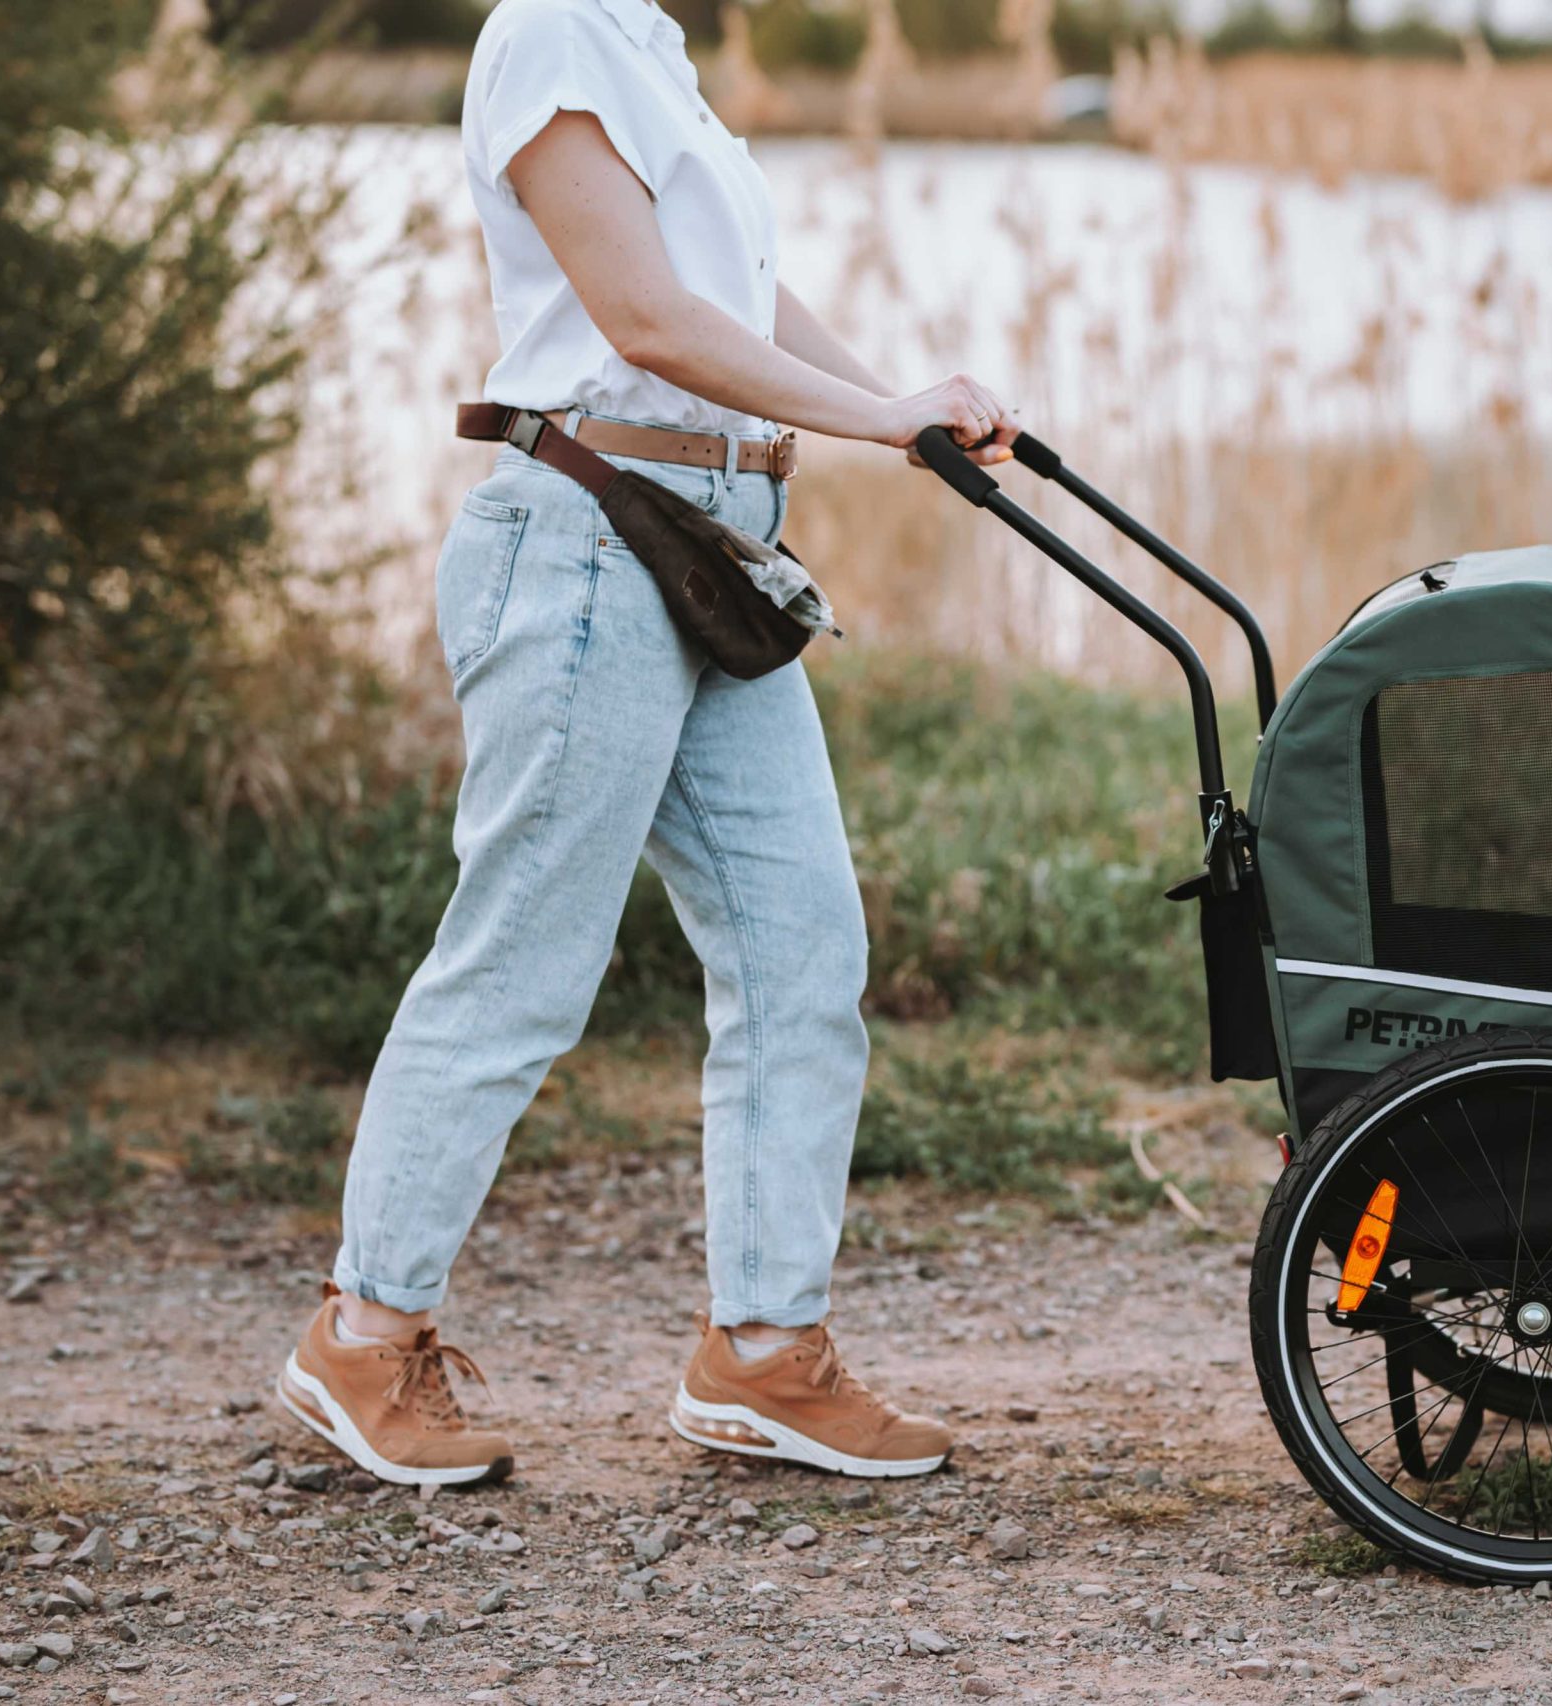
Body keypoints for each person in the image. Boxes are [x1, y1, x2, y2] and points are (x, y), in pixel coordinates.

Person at [273, 0, 1016, 1487]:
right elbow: (649, 324)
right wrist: (878, 416)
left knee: (805, 949)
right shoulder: (549, 31)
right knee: (524, 961)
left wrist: (905, 405)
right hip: (584, 548)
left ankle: (763, 1354)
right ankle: (363, 1333)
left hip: (712, 553)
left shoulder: (649, 45)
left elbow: (739, 296)